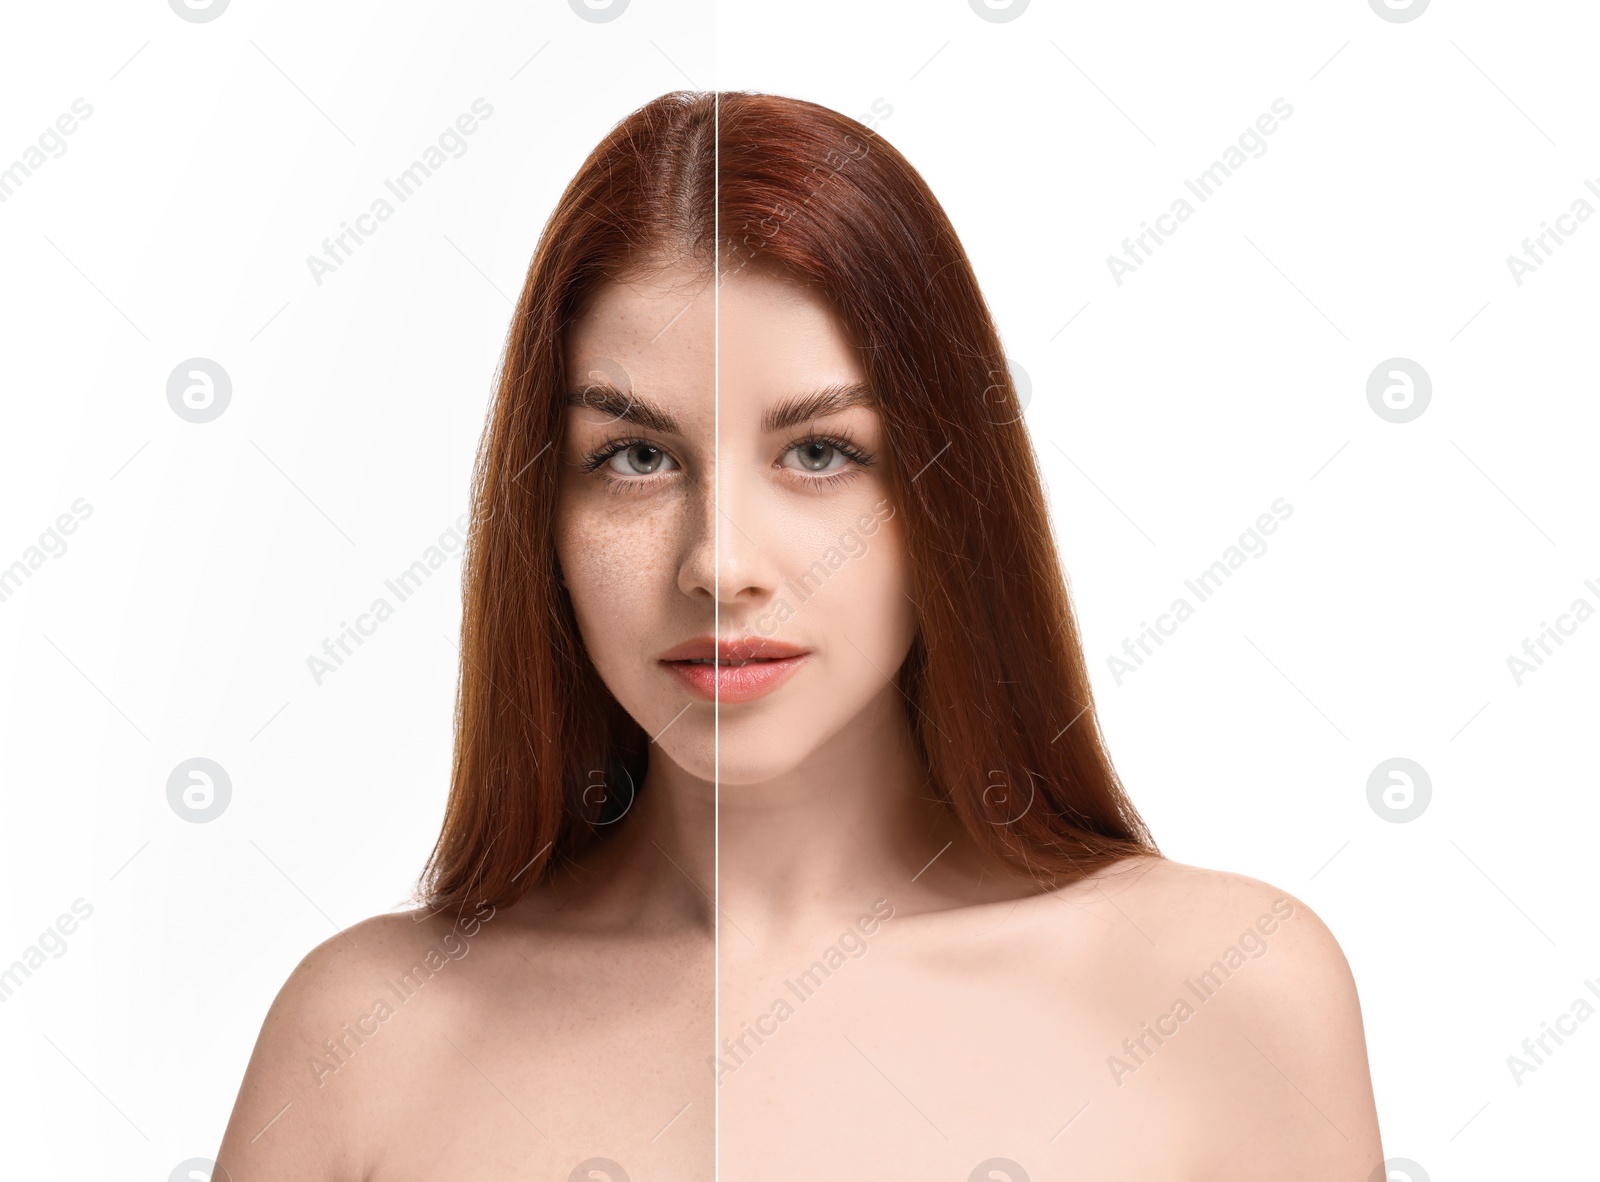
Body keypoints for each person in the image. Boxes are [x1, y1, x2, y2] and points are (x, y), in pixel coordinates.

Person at [216, 89, 1382, 1181]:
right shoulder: (361, 1045)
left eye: (820, 452)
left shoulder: (1227, 997)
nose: (720, 563)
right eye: (636, 457)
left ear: (948, 494)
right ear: (545, 516)